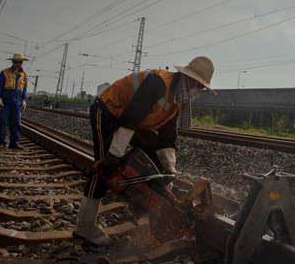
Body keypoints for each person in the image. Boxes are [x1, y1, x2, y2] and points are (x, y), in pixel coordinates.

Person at [74, 55, 214, 245]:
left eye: (203, 88)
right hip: (108, 111)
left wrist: (169, 172)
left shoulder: (177, 99)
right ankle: (84, 227)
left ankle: (148, 218)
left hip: (134, 121)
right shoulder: (158, 83)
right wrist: (114, 155)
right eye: (200, 86)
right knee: (104, 170)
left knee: (154, 168)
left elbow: (166, 137)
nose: (199, 91)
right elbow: (130, 118)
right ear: (190, 80)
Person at [0, 54, 28, 148]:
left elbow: (24, 88)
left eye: (20, 62)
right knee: (3, 122)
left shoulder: (23, 75)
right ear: (12, 62)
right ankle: (1, 142)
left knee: (16, 122)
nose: (18, 64)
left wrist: (24, 99)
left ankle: (14, 143)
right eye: (16, 61)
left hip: (17, 103)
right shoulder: (4, 72)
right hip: (5, 102)